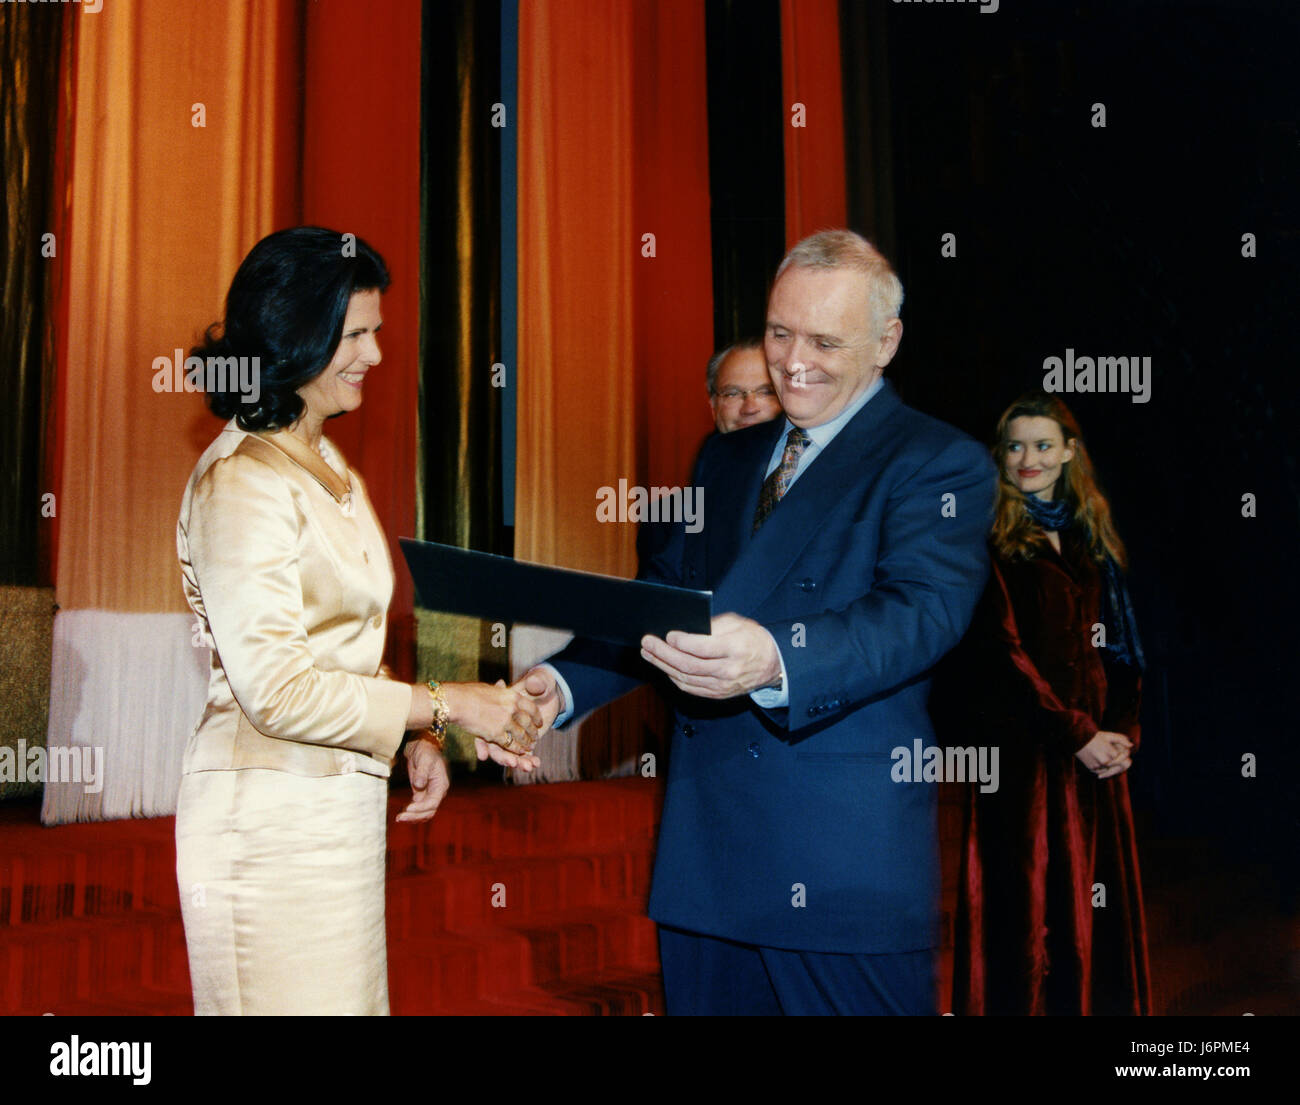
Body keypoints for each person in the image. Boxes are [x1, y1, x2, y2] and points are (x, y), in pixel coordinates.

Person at [523, 230, 996, 1014]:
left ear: (887, 342)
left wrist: (779, 658)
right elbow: (663, 600)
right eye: (780, 332)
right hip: (707, 863)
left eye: (823, 339)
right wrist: (559, 684)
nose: (792, 360)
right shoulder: (727, 459)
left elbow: (921, 612)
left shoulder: (936, 461)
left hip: (841, 871)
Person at [174, 226, 545, 1016]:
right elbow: (276, 689)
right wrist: (445, 704)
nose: (376, 354)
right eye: (356, 334)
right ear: (291, 334)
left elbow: (339, 649)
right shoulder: (242, 479)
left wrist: (415, 732)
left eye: (376, 331)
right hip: (265, 830)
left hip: (334, 819)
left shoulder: (330, 466)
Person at [951, 391, 1152, 1015]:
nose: (1027, 459)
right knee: (1028, 917)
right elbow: (1000, 656)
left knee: (1099, 917)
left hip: (1096, 761)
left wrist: (1122, 733)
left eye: (1042, 445)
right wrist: (1077, 735)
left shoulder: (1092, 539)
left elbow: (1121, 652)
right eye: (1014, 446)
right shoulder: (985, 539)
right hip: (1025, 759)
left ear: (1069, 452)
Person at [707, 339, 782, 433]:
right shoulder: (709, 447)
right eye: (732, 394)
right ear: (713, 407)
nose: (749, 409)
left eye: (766, 392)